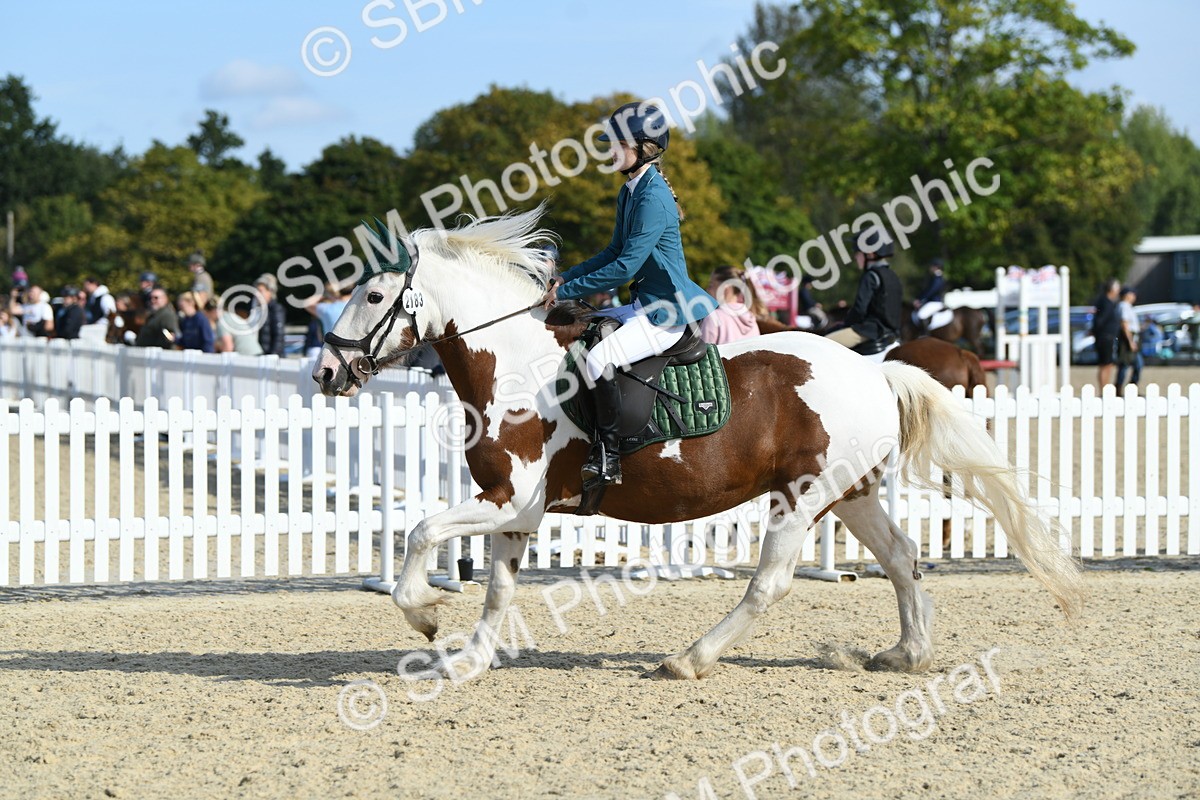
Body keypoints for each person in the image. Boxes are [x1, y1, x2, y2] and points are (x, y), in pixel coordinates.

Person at [541, 102, 716, 486]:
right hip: (642, 306)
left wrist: (569, 289)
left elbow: (626, 268)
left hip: (667, 312)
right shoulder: (630, 191)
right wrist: (562, 278)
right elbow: (612, 252)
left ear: (644, 147)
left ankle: (608, 455)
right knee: (584, 330)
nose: (610, 151)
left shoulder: (653, 198)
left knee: (598, 358)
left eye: (618, 144)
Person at [825, 236, 902, 350]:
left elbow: (859, 309)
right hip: (892, 332)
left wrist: (847, 324)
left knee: (822, 343)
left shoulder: (870, 276)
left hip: (869, 331)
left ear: (870, 254)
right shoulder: (893, 275)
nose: (855, 257)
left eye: (858, 253)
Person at [700, 265, 761, 345]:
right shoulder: (751, 319)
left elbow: (705, 355)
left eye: (711, 285)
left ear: (726, 289)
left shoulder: (714, 317)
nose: (707, 290)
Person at [1090, 278, 1121, 389]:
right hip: (1105, 337)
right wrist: (1096, 332)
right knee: (1106, 364)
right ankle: (1104, 389)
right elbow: (1099, 321)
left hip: (1105, 336)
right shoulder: (1106, 303)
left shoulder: (1104, 302)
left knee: (1107, 364)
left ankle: (1105, 387)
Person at [1115, 286, 1142, 390]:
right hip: (1128, 338)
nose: (1134, 296)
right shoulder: (1124, 306)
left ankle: (1130, 388)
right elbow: (1124, 324)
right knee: (1126, 364)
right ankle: (1120, 388)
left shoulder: (1127, 306)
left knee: (1135, 364)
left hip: (1132, 336)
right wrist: (1130, 341)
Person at [255, 273, 286, 357]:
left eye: (260, 291)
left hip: (271, 358)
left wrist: (272, 355)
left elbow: (278, 336)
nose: (257, 294)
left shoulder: (276, 309)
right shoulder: (258, 310)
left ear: (269, 292)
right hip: (261, 356)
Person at [912, 257, 948, 326]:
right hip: (933, 301)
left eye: (932, 266)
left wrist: (919, 299)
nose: (930, 268)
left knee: (920, 315)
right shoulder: (937, 277)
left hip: (934, 302)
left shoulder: (937, 278)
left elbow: (930, 291)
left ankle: (925, 334)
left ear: (936, 267)